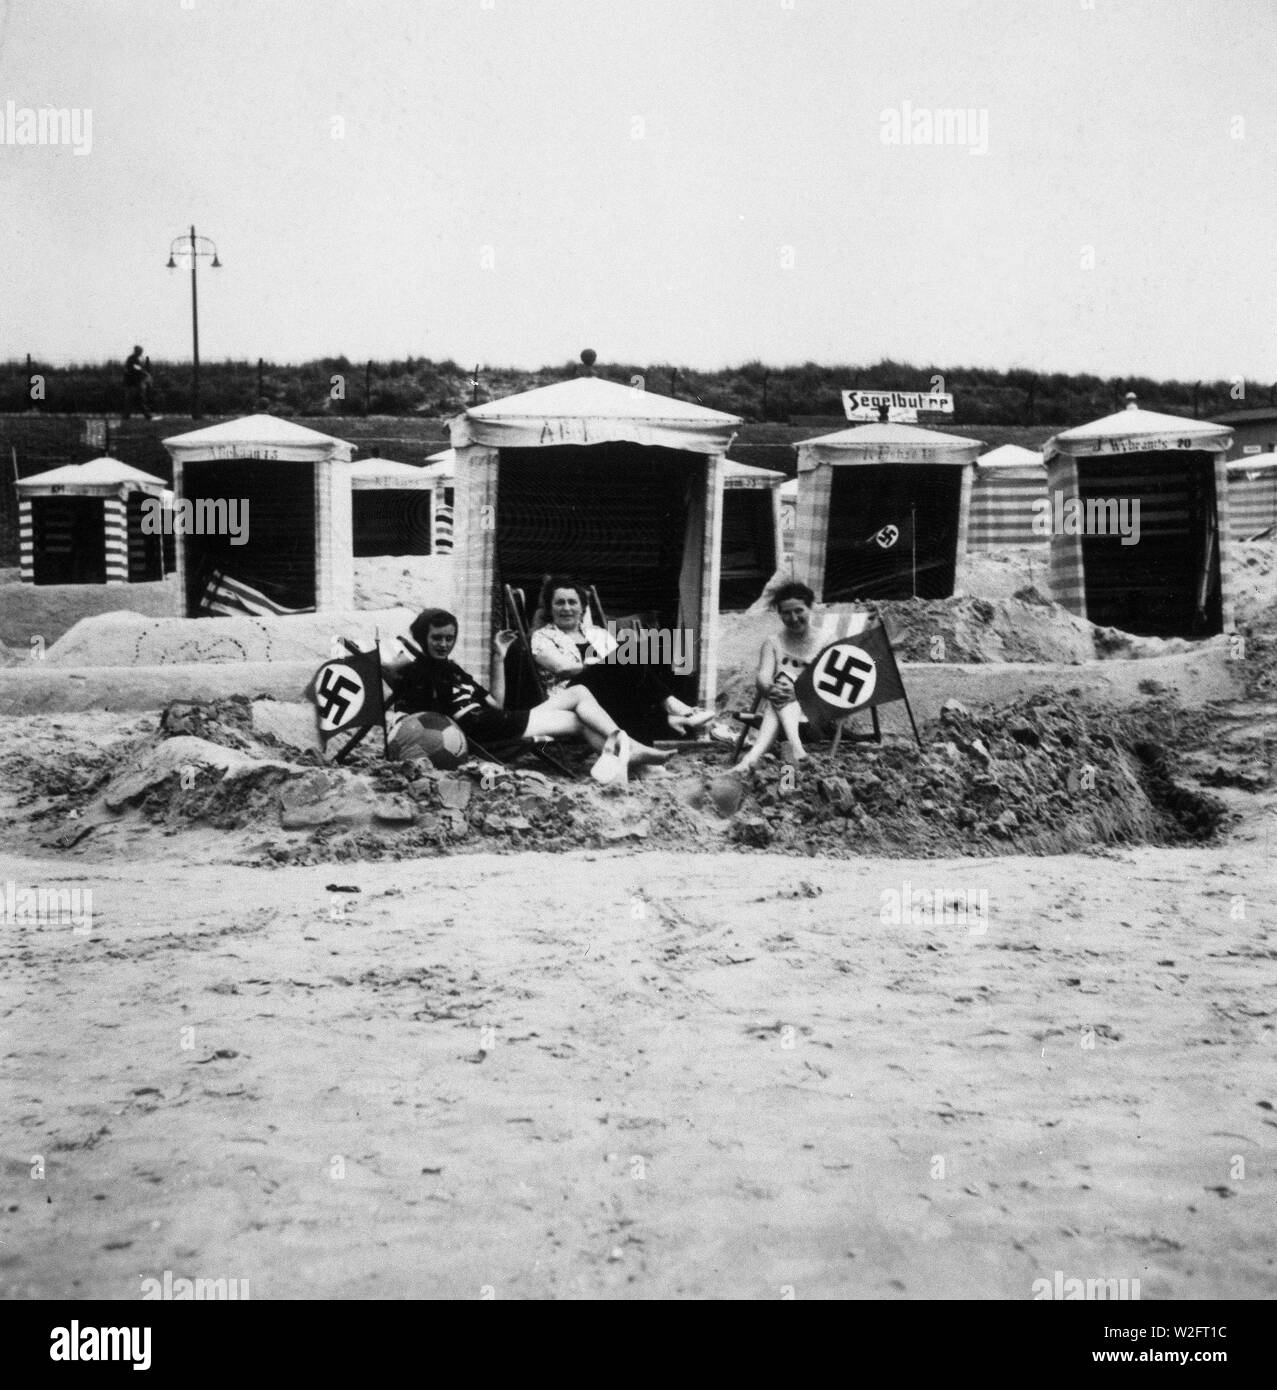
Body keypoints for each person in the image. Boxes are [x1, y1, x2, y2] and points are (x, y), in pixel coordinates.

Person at [383, 607, 672, 783]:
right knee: (580, 720)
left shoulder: (455, 669)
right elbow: (387, 672)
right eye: (436, 638)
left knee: (580, 692)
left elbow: (497, 703)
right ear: (423, 637)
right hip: (482, 729)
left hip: (499, 718)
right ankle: (632, 755)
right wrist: (396, 663)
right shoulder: (417, 672)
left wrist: (499, 657)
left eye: (449, 638)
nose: (444, 644)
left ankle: (628, 751)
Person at [529, 576, 714, 744]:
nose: (567, 608)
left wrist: (611, 666)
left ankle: (656, 748)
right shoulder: (542, 636)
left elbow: (624, 669)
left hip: (604, 695)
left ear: (582, 607)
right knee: (625, 658)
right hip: (570, 698)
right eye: (559, 603)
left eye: (572, 602)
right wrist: (599, 666)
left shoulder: (598, 633)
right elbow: (562, 668)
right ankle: (673, 710)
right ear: (550, 607)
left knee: (632, 668)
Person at [734, 581, 828, 772]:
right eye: (786, 612)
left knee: (785, 680)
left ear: (810, 608)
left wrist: (798, 692)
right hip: (783, 706)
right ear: (779, 613)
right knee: (782, 682)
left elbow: (830, 683)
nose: (793, 618)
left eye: (799, 610)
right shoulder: (773, 643)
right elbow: (763, 678)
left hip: (817, 711)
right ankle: (794, 751)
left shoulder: (827, 640)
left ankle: (751, 759)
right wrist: (771, 689)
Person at [122, 345, 152, 419]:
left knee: (135, 400)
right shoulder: (132, 358)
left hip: (135, 383)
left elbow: (137, 368)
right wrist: (144, 372)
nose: (141, 352)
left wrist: (143, 371)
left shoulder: (135, 358)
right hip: (132, 383)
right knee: (135, 400)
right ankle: (147, 416)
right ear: (137, 351)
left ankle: (146, 415)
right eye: (140, 351)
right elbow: (135, 367)